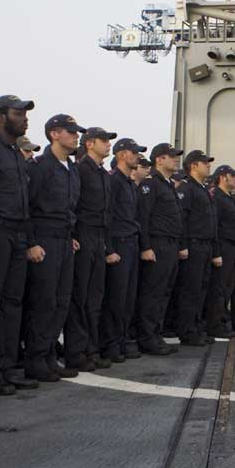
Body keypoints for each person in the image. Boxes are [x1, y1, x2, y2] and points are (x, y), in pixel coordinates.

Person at [0, 95, 37, 395]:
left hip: (17, 235)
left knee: (13, 303)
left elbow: (25, 202)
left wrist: (28, 239)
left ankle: (6, 367)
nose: (25, 118)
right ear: (1, 117)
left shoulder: (16, 154)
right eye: (18, 113)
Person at [23, 114, 83, 382]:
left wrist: (70, 235)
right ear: (54, 134)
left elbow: (70, 209)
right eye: (70, 131)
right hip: (44, 240)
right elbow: (28, 208)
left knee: (61, 302)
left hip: (63, 240)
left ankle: (49, 357)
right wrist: (32, 242)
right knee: (44, 302)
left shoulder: (71, 168)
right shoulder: (41, 167)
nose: (76, 135)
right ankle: (35, 360)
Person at [68, 127, 118, 371]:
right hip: (84, 236)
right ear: (89, 144)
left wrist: (107, 245)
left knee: (95, 297)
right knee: (81, 296)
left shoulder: (103, 174)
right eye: (104, 140)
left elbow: (107, 214)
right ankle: (76, 351)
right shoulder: (80, 171)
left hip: (99, 238)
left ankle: (91, 348)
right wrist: (73, 235)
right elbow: (73, 204)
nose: (108, 144)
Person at [135, 143, 186, 355]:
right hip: (158, 244)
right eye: (171, 156)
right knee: (153, 293)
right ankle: (147, 338)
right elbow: (142, 218)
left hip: (171, 245)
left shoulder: (167, 185)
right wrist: (146, 246)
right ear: (159, 160)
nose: (176, 159)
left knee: (164, 292)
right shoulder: (151, 184)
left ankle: (156, 334)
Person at [99, 138, 146, 362]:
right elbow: (107, 216)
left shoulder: (129, 183)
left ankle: (122, 339)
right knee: (116, 299)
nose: (137, 156)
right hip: (118, 243)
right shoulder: (114, 181)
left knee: (128, 298)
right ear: (121, 155)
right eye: (133, 152)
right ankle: (110, 344)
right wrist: (109, 247)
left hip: (131, 242)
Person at [175, 150, 219, 346]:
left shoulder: (201, 189)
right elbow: (181, 219)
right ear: (193, 165)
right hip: (193, 245)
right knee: (190, 290)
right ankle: (188, 331)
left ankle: (197, 327)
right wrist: (183, 245)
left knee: (201, 289)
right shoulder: (187, 188)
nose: (208, 165)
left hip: (205, 245)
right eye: (205, 162)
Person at [205, 164, 235, 338]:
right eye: (232, 175)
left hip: (234, 248)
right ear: (222, 177)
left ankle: (221, 321)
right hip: (224, 246)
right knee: (219, 289)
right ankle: (215, 325)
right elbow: (215, 226)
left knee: (228, 287)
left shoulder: (229, 197)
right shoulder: (217, 197)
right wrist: (217, 252)